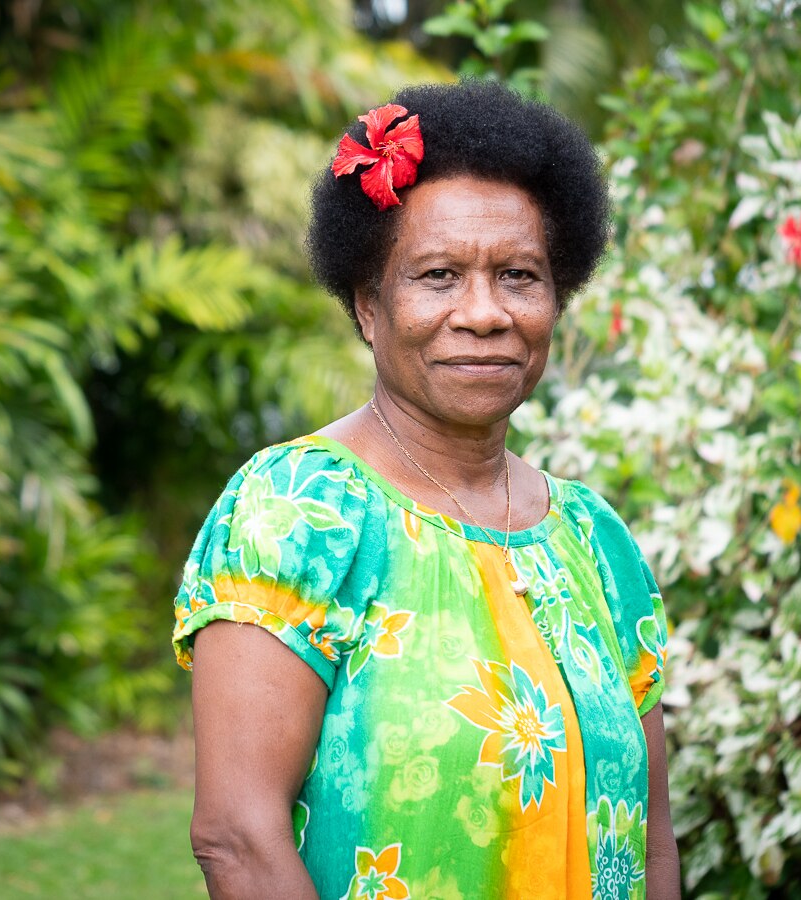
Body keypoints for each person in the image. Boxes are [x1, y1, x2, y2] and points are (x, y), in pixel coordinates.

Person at [172, 80, 680, 899]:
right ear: (369, 306)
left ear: (557, 298)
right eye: (438, 275)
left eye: (519, 275)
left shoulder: (593, 539)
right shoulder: (300, 511)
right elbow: (237, 837)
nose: (484, 313)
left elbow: (651, 842)